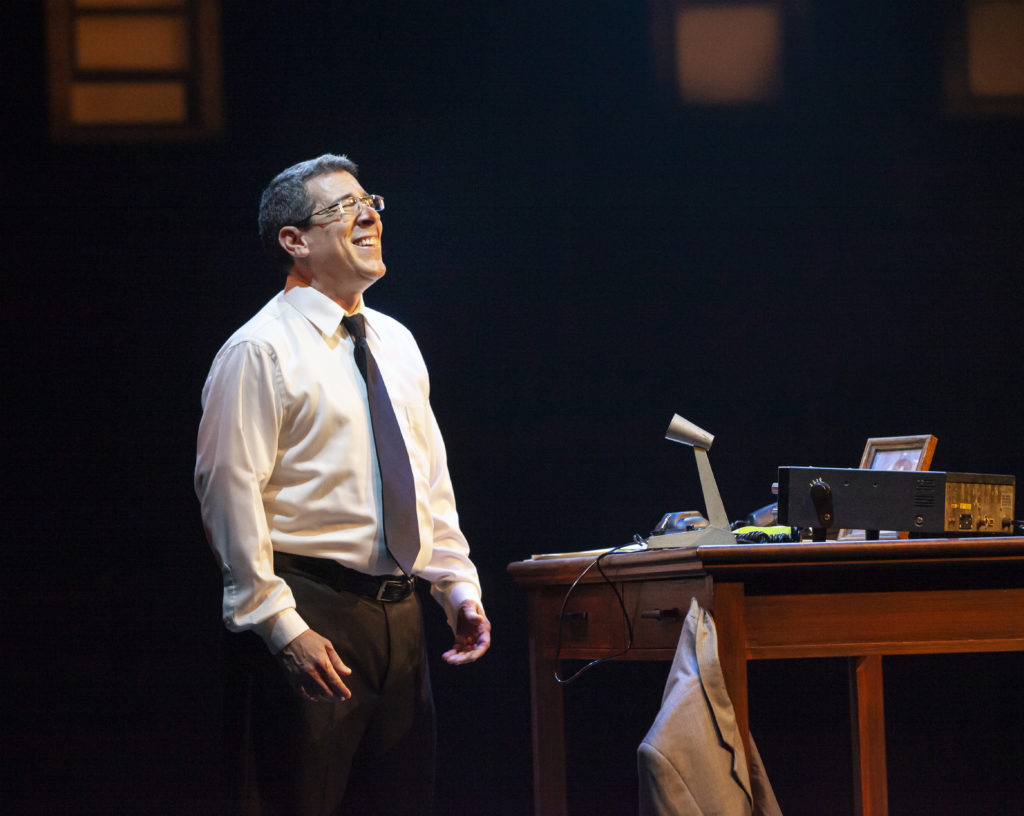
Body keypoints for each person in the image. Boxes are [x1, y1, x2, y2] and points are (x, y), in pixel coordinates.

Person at [194, 153, 491, 815]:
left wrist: (455, 586)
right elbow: (228, 490)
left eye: (370, 202)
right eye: (341, 208)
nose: (368, 216)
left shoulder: (396, 341)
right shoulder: (260, 349)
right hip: (312, 611)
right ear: (294, 241)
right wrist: (279, 625)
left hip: (400, 618)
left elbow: (425, 478)